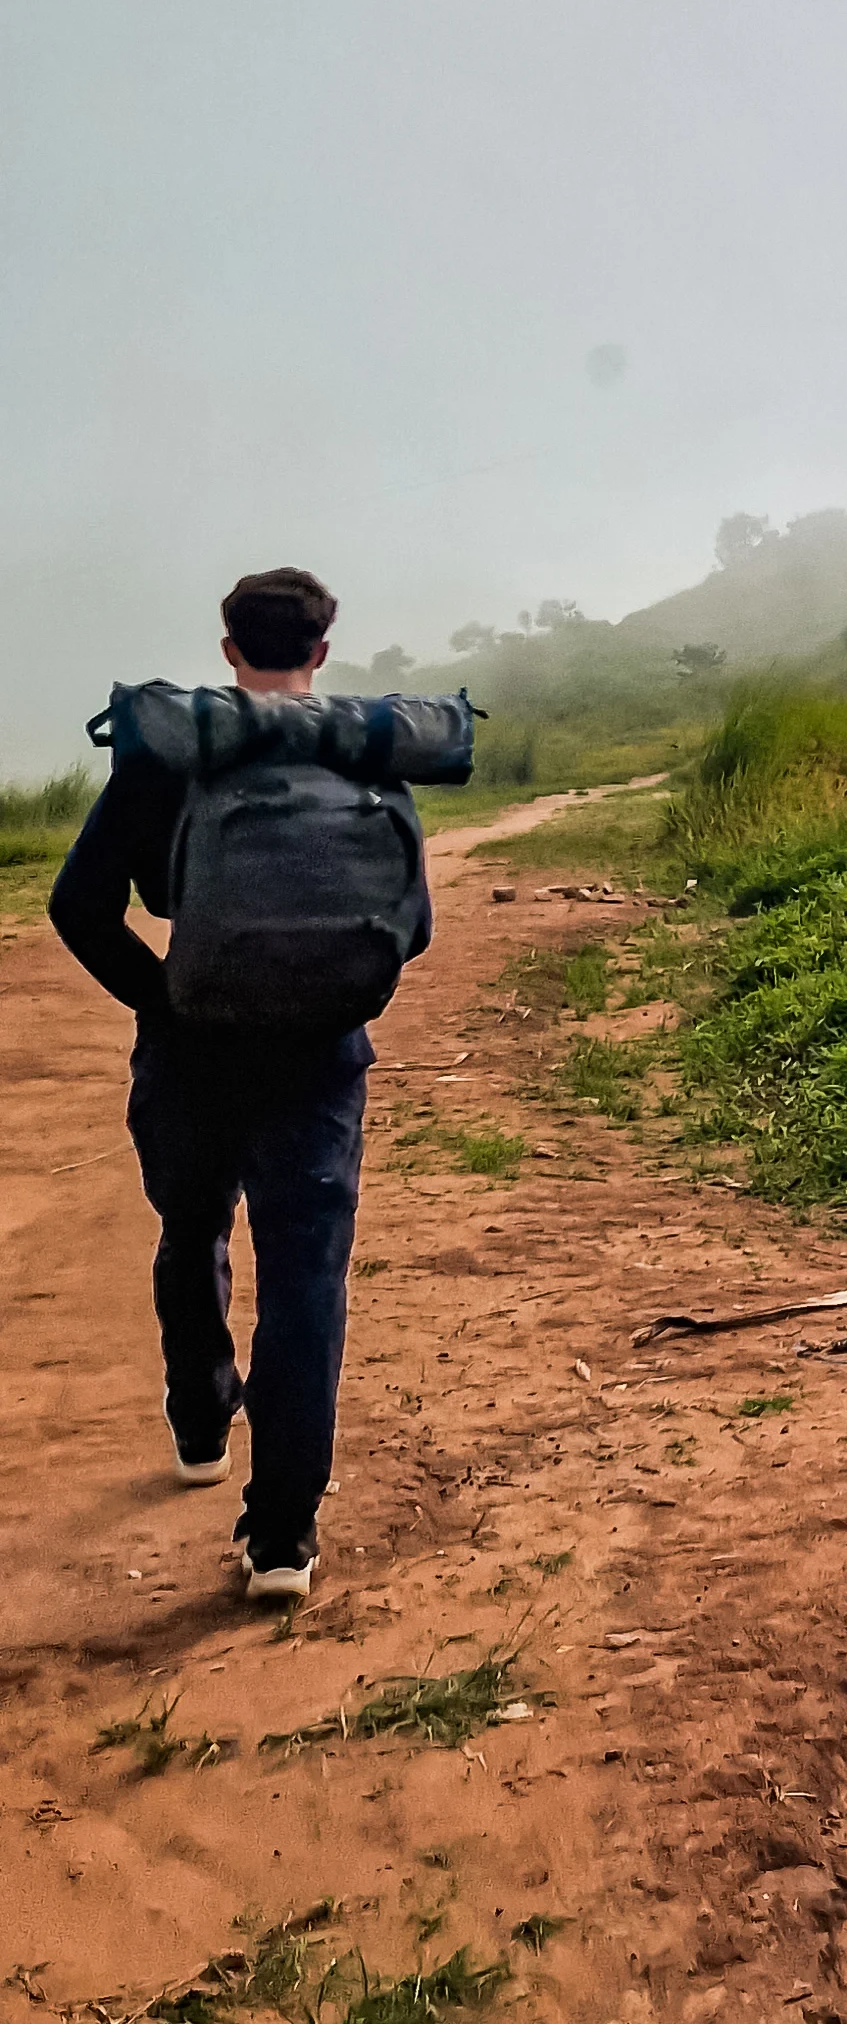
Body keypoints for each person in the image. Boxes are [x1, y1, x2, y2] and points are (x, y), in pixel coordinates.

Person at [49, 566, 429, 1605]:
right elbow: (415, 925)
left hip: (191, 1049)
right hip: (318, 1056)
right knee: (307, 1281)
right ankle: (282, 1540)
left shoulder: (171, 756)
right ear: (320, 651)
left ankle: (202, 1421)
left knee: (192, 1227)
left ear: (228, 650)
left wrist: (164, 997)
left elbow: (77, 905)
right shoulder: (359, 754)